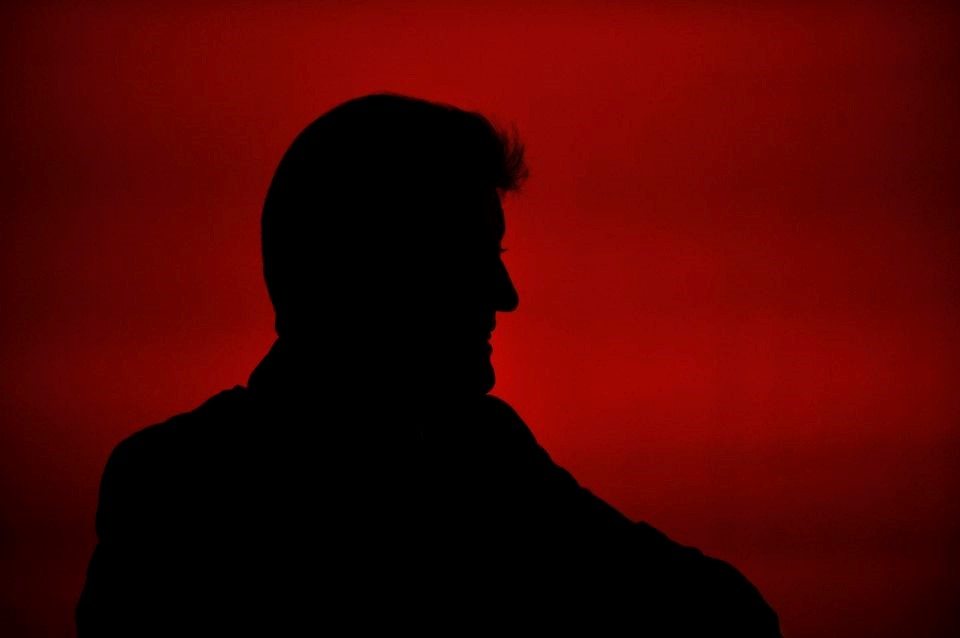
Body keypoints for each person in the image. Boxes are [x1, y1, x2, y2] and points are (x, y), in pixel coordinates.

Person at [76, 93, 781, 636]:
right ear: (386, 268)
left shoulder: (485, 454)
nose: (505, 295)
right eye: (476, 257)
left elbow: (726, 615)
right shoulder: (180, 492)